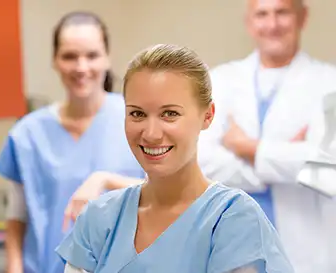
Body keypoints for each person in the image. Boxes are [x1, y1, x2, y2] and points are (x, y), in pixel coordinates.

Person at [56, 44, 294, 273]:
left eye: (170, 114)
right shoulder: (99, 219)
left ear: (207, 116)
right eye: (137, 114)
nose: (151, 133)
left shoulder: (233, 220)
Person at [0, 11, 144, 273]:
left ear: (107, 58)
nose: (81, 67)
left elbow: (170, 196)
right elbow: (16, 219)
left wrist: (105, 179)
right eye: (69, 56)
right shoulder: (27, 134)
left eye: (92, 55)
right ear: (55, 60)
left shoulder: (138, 119)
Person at [196, 0, 336, 272]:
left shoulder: (330, 83)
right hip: (233, 248)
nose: (272, 24)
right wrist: (282, 159)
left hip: (305, 253)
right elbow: (200, 161)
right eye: (262, 14)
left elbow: (327, 170)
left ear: (302, 17)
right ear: (249, 21)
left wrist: (246, 147)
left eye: (282, 12)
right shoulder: (221, 81)